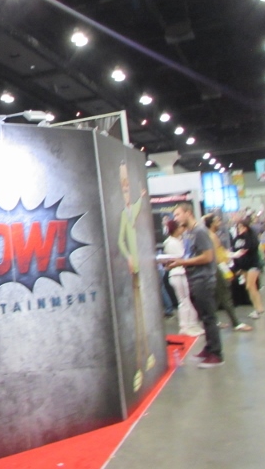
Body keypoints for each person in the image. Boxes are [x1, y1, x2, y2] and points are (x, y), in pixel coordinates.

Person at [166, 202, 223, 368]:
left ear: (188, 213)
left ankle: (216, 354)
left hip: (203, 279)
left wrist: (182, 262)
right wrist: (178, 262)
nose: (176, 218)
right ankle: (209, 348)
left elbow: (207, 256)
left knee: (209, 317)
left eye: (178, 214)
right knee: (203, 316)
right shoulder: (189, 233)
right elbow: (190, 255)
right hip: (194, 278)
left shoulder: (199, 232)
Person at [117, 161, 154, 392]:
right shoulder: (124, 214)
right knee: (137, 310)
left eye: (128, 189)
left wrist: (141, 192)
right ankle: (140, 362)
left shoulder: (134, 210)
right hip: (134, 266)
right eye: (123, 189)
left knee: (142, 310)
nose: (126, 193)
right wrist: (128, 257)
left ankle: (147, 353)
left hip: (141, 264)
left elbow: (140, 200)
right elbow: (120, 240)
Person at [204, 214, 253, 332]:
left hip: (217, 267)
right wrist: (226, 271)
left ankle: (213, 321)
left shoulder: (211, 235)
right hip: (217, 268)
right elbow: (217, 257)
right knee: (225, 295)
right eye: (217, 221)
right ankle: (236, 323)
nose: (220, 223)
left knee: (217, 297)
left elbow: (221, 252)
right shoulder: (211, 236)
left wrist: (233, 255)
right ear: (211, 223)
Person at [163, 219, 202, 336]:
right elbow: (180, 256)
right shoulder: (171, 243)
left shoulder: (178, 240)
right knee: (183, 301)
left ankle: (191, 324)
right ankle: (184, 326)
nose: (182, 229)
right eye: (180, 227)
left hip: (181, 272)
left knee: (186, 300)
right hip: (177, 273)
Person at [232, 217, 265, 319]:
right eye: (238, 227)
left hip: (253, 264)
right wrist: (237, 267)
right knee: (250, 287)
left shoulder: (251, 237)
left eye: (242, 227)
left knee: (250, 286)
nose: (240, 229)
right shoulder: (236, 239)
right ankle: (257, 307)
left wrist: (245, 234)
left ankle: (258, 308)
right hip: (243, 266)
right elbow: (235, 251)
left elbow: (251, 246)